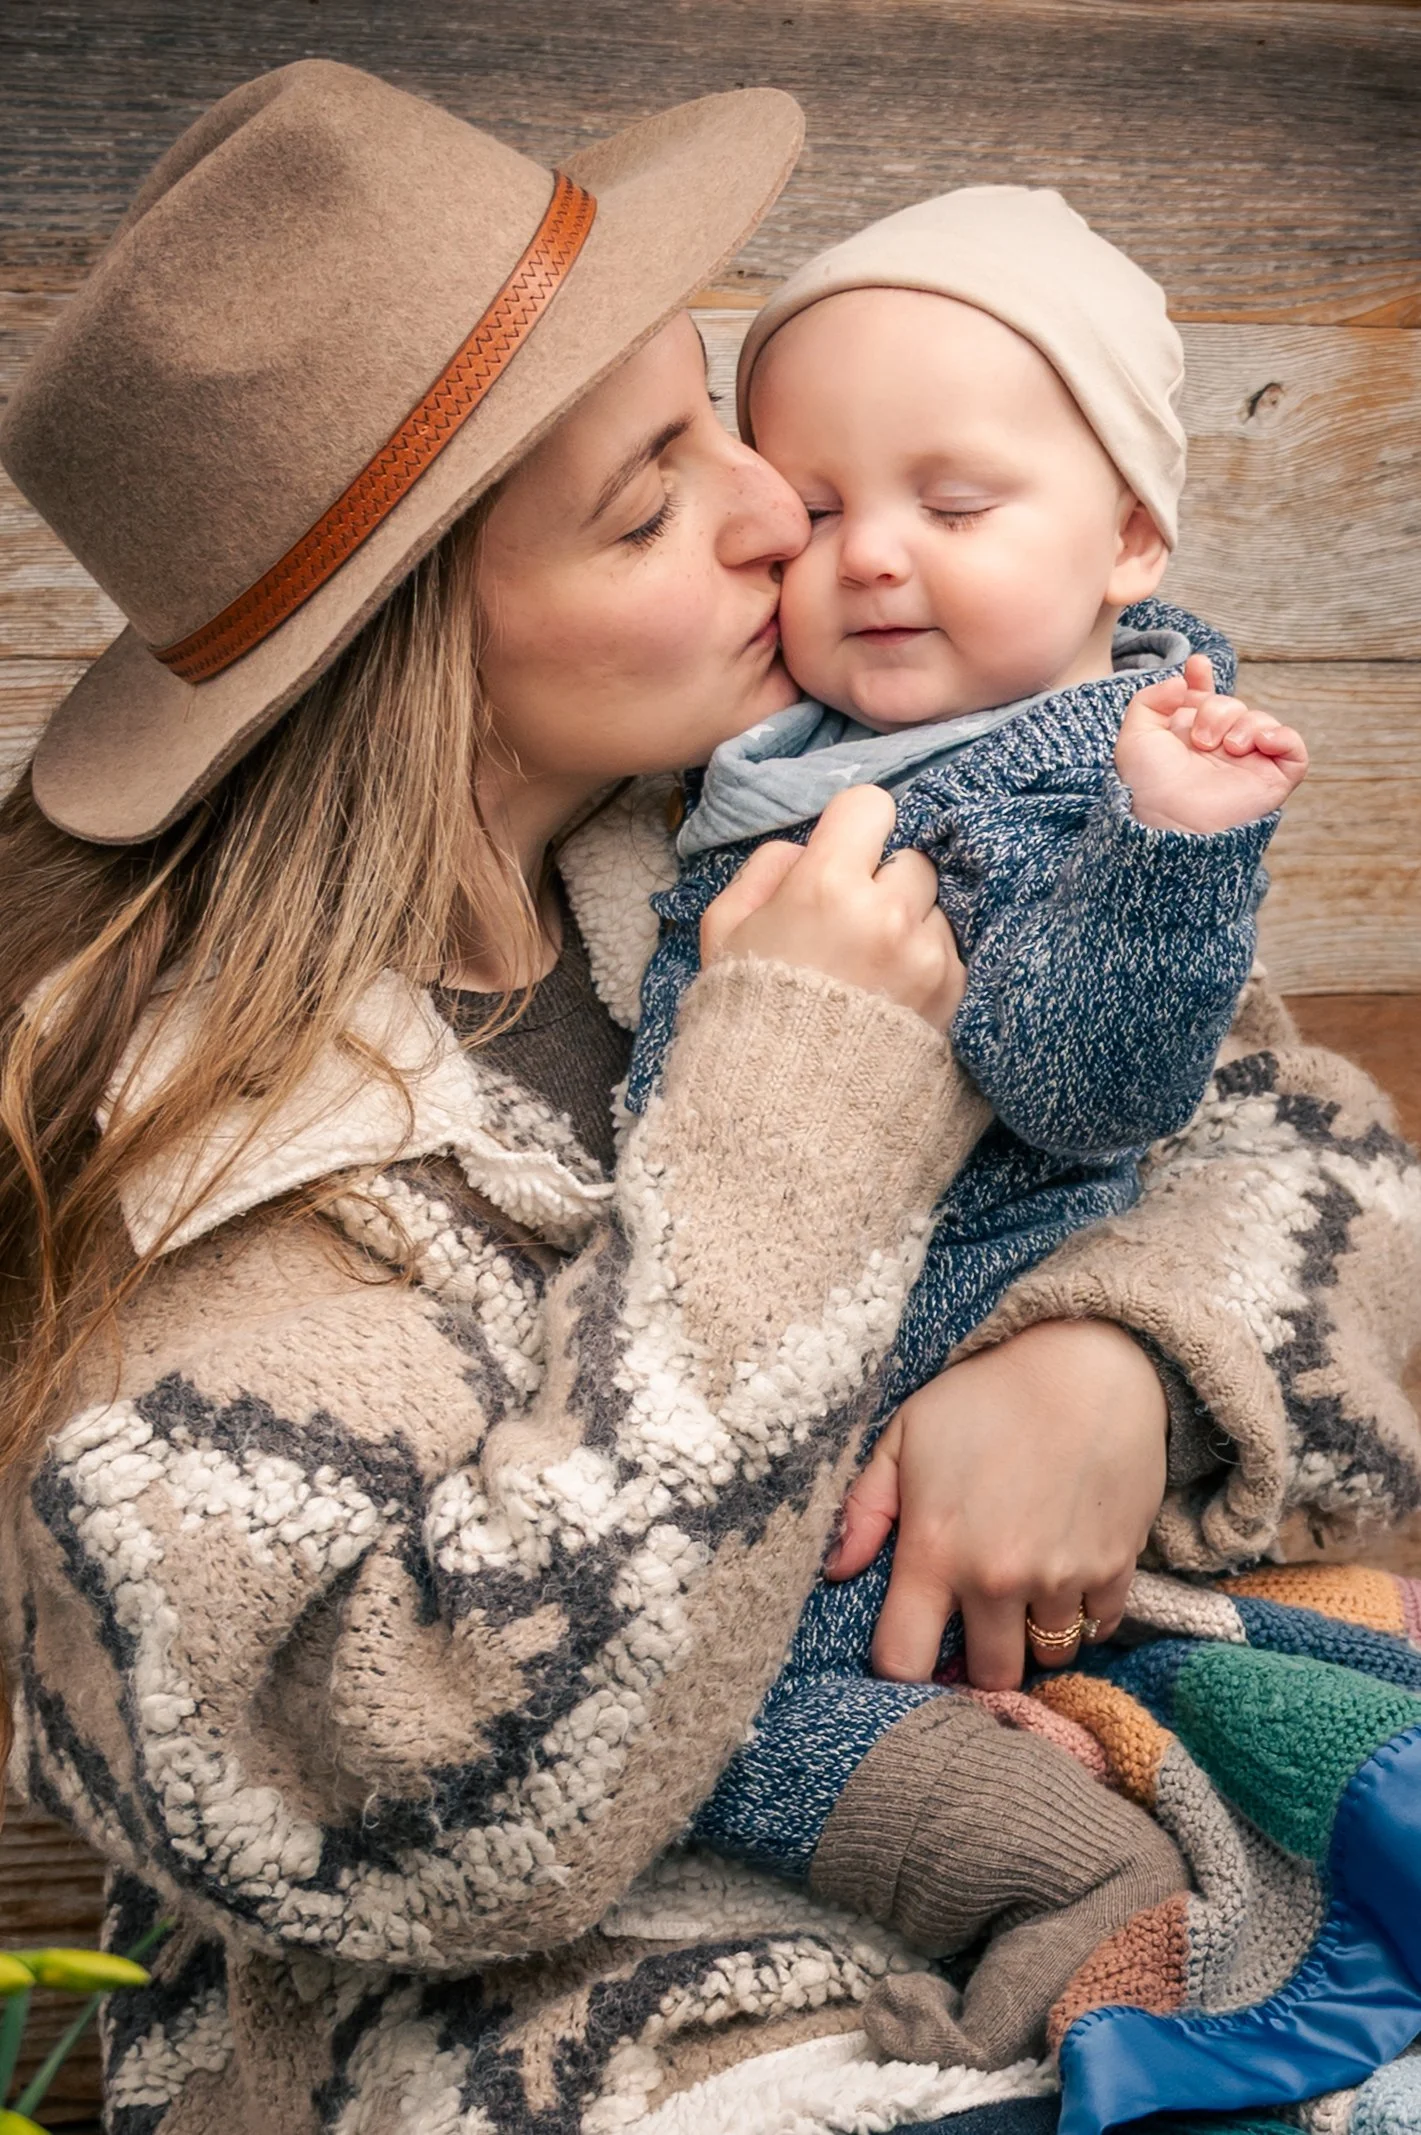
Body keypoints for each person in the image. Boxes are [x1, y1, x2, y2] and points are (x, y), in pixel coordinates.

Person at [0, 61, 1416, 2135]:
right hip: (610, 2053)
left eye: (708, 416)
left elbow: (1335, 1175)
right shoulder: (192, 1144)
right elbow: (410, 1792)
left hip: (1112, 1842)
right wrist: (785, 1128)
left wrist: (1118, 1360)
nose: (781, 513)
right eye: (654, 498)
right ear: (412, 652)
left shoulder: (799, 817)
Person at [621, 190, 1314, 1986]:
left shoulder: (1094, 781)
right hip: (757, 1405)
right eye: (822, 506)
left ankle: (963, 1802)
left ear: (1132, 539)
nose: (865, 557)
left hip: (918, 1395)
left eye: (954, 504)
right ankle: (951, 1766)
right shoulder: (795, 756)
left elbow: (1084, 1083)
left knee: (737, 1687)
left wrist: (1172, 850)